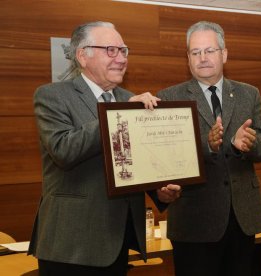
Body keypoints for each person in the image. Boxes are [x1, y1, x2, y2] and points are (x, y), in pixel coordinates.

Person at [28, 21, 181, 276]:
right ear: (82, 56)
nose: (121, 58)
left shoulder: (127, 98)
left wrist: (159, 191)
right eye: (111, 50)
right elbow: (63, 150)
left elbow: (134, 161)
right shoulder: (52, 96)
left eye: (124, 50)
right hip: (69, 245)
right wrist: (119, 116)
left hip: (116, 241)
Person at [157, 21, 261, 276]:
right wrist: (207, 145)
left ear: (224, 54)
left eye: (209, 51)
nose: (202, 58)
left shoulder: (248, 94)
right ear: (188, 58)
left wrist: (248, 144)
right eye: (195, 52)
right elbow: (166, 155)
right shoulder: (168, 98)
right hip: (194, 221)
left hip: (243, 219)